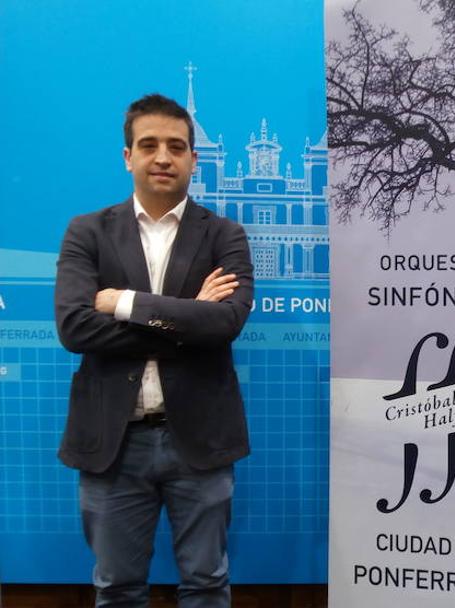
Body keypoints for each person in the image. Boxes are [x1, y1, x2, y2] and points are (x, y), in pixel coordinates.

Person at [54, 93, 253, 607]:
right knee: (117, 589)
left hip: (201, 441)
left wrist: (123, 302)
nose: (162, 156)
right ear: (128, 157)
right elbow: (75, 328)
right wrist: (186, 317)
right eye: (149, 145)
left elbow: (226, 323)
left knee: (207, 585)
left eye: (175, 146)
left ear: (193, 158)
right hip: (114, 445)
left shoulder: (226, 235)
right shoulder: (87, 233)